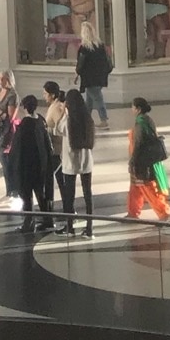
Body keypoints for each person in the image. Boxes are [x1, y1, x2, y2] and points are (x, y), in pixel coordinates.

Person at [10, 94, 53, 233]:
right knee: (41, 194)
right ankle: (48, 220)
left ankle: (28, 223)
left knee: (26, 195)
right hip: (41, 165)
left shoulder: (24, 125)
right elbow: (47, 143)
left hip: (26, 166)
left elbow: (17, 148)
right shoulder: (40, 121)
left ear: (24, 108)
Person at [58, 84, 95, 235]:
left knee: (69, 195)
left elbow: (56, 129)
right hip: (86, 162)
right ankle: (89, 227)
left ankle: (69, 226)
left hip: (70, 163)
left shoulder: (68, 121)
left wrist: (63, 113)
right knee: (88, 194)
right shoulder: (88, 119)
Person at [126, 96, 170, 221]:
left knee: (149, 188)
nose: (132, 109)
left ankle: (164, 213)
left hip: (142, 162)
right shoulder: (148, 120)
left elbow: (138, 144)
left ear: (138, 109)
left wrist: (133, 161)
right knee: (135, 188)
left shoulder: (140, 123)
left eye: (133, 107)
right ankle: (132, 212)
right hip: (147, 159)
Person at [74, 24, 112, 125]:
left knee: (97, 98)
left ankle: (103, 120)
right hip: (100, 77)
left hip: (89, 78)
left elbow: (81, 64)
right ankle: (86, 119)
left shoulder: (84, 48)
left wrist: (77, 74)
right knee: (89, 100)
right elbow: (107, 62)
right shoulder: (100, 46)